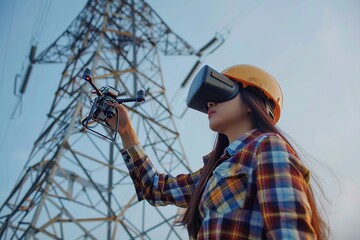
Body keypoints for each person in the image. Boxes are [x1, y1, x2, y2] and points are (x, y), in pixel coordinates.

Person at [108, 64, 329, 239]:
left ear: (254, 102)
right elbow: (153, 188)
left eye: (223, 91)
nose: (210, 102)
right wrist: (125, 130)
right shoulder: (213, 172)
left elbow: (288, 233)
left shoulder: (266, 147)